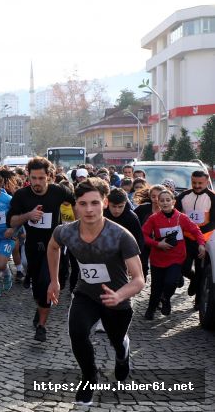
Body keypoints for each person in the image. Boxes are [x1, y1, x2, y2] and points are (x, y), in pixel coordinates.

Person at [47, 177, 145, 405]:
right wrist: (54, 280)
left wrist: (119, 295)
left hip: (117, 299)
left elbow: (139, 280)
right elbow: (53, 246)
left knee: (116, 340)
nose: (89, 209)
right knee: (77, 332)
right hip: (86, 293)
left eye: (94, 203)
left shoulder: (121, 236)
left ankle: (123, 353)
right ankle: (89, 377)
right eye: (82, 204)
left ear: (105, 203)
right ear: (75, 205)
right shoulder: (66, 232)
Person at [7, 156, 74, 342]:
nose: (37, 183)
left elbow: (77, 204)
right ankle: (41, 309)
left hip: (56, 247)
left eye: (41, 178)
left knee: (48, 282)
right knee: (38, 288)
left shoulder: (60, 192)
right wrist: (28, 215)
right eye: (33, 178)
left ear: (50, 177)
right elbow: (11, 221)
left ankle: (42, 327)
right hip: (33, 247)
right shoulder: (22, 195)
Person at [142, 189, 205, 320]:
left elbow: (196, 230)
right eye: (162, 200)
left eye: (167, 200)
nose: (165, 203)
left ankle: (166, 298)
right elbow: (143, 235)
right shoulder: (153, 218)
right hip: (158, 258)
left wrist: (201, 244)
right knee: (156, 286)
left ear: (173, 202)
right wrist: (158, 244)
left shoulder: (182, 217)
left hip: (176, 258)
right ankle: (151, 309)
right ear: (158, 203)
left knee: (171, 282)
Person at [175, 170, 215, 307]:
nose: (197, 186)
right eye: (194, 183)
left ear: (207, 181)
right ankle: (193, 280)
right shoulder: (183, 196)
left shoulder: (212, 197)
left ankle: (198, 302)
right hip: (186, 239)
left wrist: (197, 232)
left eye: (200, 183)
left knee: (201, 270)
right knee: (184, 267)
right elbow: (176, 216)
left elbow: (213, 222)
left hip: (204, 240)